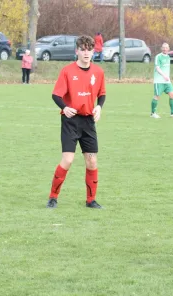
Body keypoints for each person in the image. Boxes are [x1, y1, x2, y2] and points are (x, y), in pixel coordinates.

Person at [46, 35, 106, 209]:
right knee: (68, 160)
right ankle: (53, 197)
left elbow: (102, 94)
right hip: (70, 121)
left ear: (93, 52)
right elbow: (56, 95)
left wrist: (99, 108)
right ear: (77, 51)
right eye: (83, 49)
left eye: (89, 49)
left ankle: (91, 200)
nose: (86, 53)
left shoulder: (98, 72)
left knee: (92, 161)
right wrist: (65, 108)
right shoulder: (67, 71)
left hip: (88, 121)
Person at [151, 43, 173, 118]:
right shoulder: (158, 56)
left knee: (172, 95)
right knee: (157, 96)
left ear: (168, 49)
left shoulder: (168, 57)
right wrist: (164, 75)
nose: (165, 49)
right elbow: (157, 68)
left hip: (167, 81)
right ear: (161, 48)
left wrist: (167, 77)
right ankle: (153, 113)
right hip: (159, 81)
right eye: (163, 48)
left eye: (166, 48)